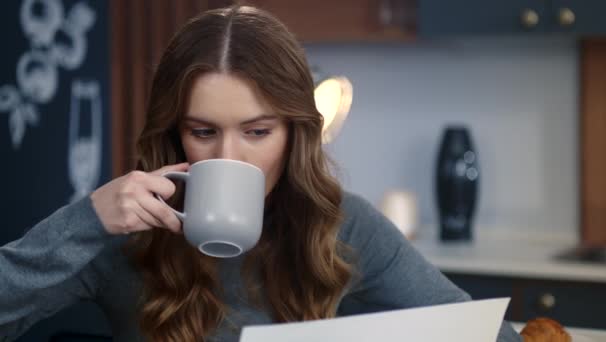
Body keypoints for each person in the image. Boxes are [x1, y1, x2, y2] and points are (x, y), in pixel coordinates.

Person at [0, 5, 522, 342]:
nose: (231, 157)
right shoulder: (121, 234)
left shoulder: (344, 227)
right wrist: (87, 219)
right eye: (203, 131)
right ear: (173, 134)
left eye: (256, 132)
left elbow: (485, 336)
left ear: (294, 133)